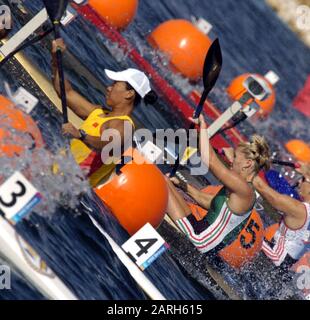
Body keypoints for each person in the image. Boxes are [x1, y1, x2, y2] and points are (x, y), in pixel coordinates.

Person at [51, 39, 157, 187]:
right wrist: (57, 61)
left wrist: (81, 135)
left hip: (71, 187)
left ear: (129, 94)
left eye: (115, 84)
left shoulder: (125, 126)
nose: (108, 88)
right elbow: (66, 93)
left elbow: (107, 144)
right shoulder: (98, 112)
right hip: (54, 173)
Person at [165, 115, 271, 255]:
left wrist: (203, 127)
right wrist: (183, 186)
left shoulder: (244, 188)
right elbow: (213, 205)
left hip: (199, 240)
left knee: (160, 184)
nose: (231, 161)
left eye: (235, 158)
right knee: (167, 182)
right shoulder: (239, 189)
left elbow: (210, 161)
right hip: (200, 231)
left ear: (248, 163)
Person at [253, 162, 310, 269]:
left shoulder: (298, 209)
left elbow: (262, 188)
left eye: (302, 179)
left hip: (271, 261)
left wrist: (245, 164)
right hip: (283, 270)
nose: (298, 182)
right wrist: (307, 172)